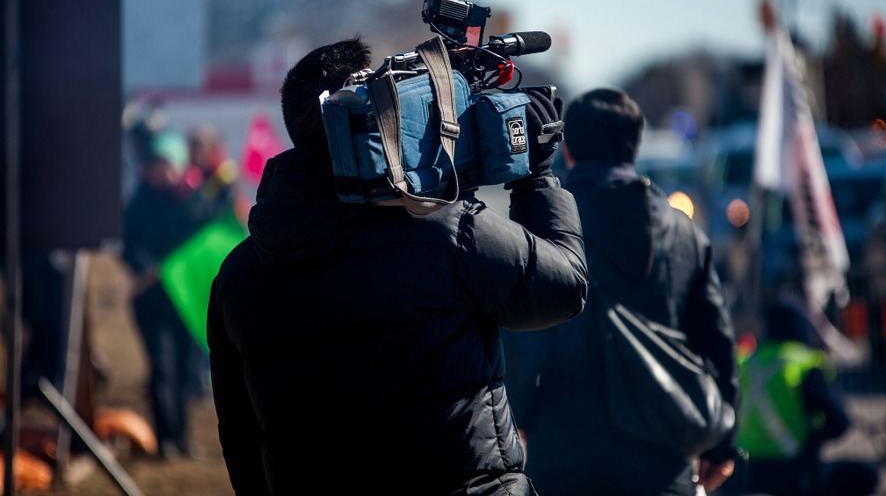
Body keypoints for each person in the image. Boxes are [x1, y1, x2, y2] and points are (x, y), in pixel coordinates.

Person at [206, 36, 588, 495]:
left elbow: (241, 438)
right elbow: (564, 288)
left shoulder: (237, 276)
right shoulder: (450, 232)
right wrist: (536, 180)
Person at [502, 88, 741, 495]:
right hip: (664, 453)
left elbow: (525, 337)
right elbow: (716, 342)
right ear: (634, 145)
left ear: (569, 150)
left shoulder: (550, 226)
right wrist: (721, 447)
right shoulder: (684, 231)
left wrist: (515, 419)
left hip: (565, 451)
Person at [738, 298, 880, 496]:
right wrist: (813, 438)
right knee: (868, 474)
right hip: (797, 474)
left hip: (747, 473)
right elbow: (839, 421)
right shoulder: (805, 364)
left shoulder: (745, 363)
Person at [122, 129, 202, 459]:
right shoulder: (141, 200)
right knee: (163, 369)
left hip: (185, 300)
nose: (160, 171)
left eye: (166, 164)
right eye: (155, 164)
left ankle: (182, 438)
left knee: (186, 370)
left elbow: (203, 244)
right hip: (152, 298)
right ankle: (164, 439)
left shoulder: (194, 199)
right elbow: (128, 244)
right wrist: (147, 267)